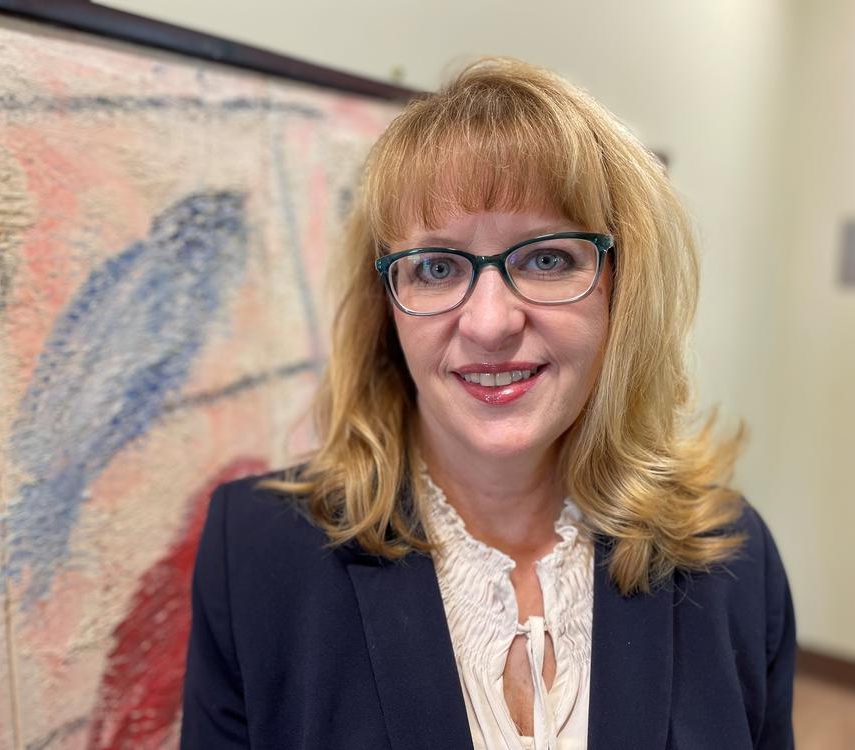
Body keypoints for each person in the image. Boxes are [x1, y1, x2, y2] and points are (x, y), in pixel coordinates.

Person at [180, 58, 795, 750]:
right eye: (437, 268)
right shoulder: (259, 556)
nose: (491, 324)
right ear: (387, 309)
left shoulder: (733, 564)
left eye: (546, 259)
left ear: (624, 291)